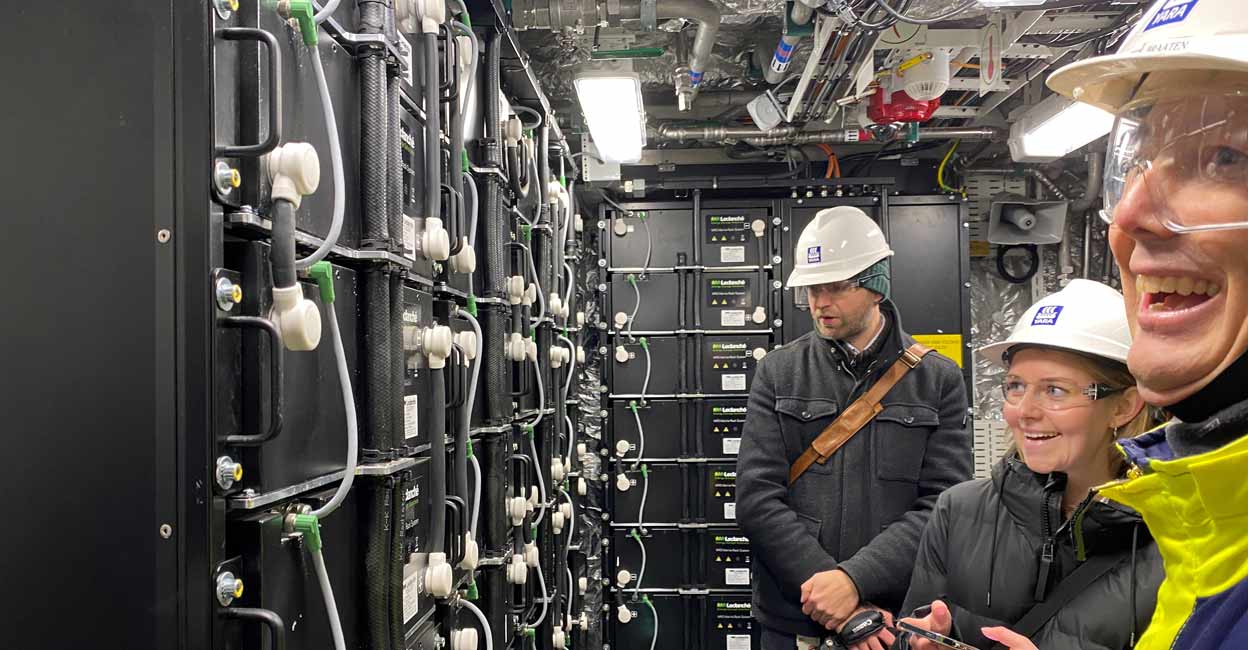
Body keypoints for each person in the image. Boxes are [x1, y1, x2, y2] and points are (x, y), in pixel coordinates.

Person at [1020, 0, 1248, 647]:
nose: (1130, 214)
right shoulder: (1200, 522)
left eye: (1224, 157)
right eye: (1138, 159)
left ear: (1118, 406)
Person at [736, 206, 973, 650]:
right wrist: (838, 599)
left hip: (894, 622)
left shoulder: (938, 379)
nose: (820, 302)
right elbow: (756, 499)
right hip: (794, 622)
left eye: (837, 286)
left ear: (876, 284)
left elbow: (942, 507)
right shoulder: (779, 372)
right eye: (812, 288)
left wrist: (855, 580)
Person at [899, 280, 1163, 650]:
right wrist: (917, 642)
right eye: (1016, 386)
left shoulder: (1176, 539)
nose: (1024, 412)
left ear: (1123, 406)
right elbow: (913, 628)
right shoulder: (958, 511)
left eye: (1055, 390)